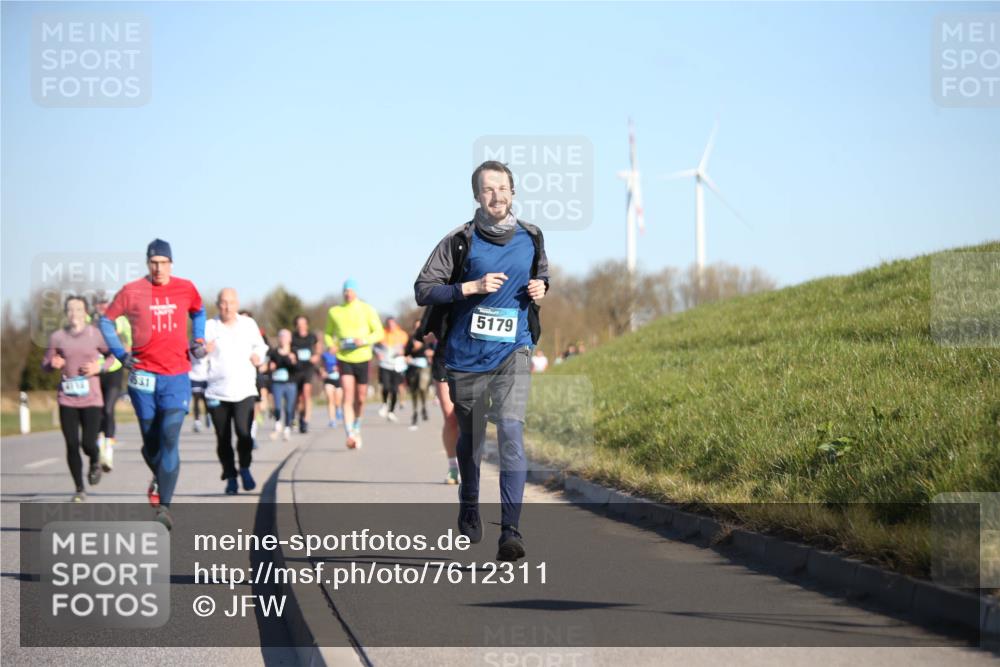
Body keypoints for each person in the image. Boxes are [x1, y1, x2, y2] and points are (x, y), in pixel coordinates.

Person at [415, 160, 549, 561]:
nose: (497, 196)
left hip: (514, 349)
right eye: (489, 190)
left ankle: (511, 531)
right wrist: (468, 287)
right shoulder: (459, 241)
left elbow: (542, 275)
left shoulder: (532, 236)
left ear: (513, 192)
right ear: (477, 196)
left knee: (510, 431)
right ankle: (469, 502)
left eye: (504, 188)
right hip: (467, 357)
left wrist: (542, 287)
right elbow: (424, 289)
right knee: (471, 440)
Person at [99, 239, 206, 530]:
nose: (158, 268)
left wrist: (198, 338)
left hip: (176, 375)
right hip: (142, 376)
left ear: (171, 263)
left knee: (170, 435)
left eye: (163, 262)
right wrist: (121, 353)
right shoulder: (132, 291)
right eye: (153, 263)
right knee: (151, 444)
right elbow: (106, 321)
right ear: (148, 263)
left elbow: (199, 311)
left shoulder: (186, 288)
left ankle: (164, 507)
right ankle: (160, 475)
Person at [43, 295, 116, 502]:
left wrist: (98, 367)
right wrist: (52, 364)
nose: (74, 313)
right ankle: (79, 489)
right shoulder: (57, 337)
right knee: (72, 444)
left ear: (85, 312)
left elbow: (113, 356)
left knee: (87, 443)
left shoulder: (95, 334)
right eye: (70, 309)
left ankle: (94, 458)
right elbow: (46, 363)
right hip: (66, 398)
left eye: (78, 309)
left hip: (91, 399)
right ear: (66, 313)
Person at [204, 289, 269, 494]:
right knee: (222, 438)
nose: (228, 307)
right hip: (217, 391)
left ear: (237, 304)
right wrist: (202, 350)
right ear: (217, 304)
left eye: (231, 302)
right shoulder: (209, 327)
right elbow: (196, 353)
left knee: (244, 433)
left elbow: (261, 346)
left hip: (244, 389)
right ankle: (230, 476)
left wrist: (258, 355)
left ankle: (245, 467)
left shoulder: (248, 324)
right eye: (223, 303)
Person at [324, 279, 384, 449]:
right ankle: (350, 433)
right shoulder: (334, 311)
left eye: (350, 290)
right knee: (348, 394)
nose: (348, 293)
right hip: (344, 357)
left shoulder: (367, 309)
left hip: (363, 357)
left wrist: (364, 340)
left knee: (361, 397)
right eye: (345, 291)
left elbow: (378, 332)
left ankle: (357, 423)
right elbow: (328, 334)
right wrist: (331, 345)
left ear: (356, 292)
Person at [93, 295, 132, 472]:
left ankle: (108, 448)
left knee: (108, 409)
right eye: (98, 303)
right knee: (98, 411)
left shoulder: (121, 320)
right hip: (94, 372)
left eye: (104, 302)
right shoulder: (89, 320)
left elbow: (129, 342)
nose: (102, 306)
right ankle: (100, 444)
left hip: (114, 369)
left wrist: (123, 349)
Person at [375, 317, 408, 422]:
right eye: (389, 324)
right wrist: (377, 353)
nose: (391, 326)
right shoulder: (382, 334)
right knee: (385, 386)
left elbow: (408, 348)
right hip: (384, 364)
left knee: (394, 390)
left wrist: (405, 353)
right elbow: (374, 346)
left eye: (392, 324)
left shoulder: (402, 335)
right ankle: (384, 404)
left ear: (396, 324)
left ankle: (391, 411)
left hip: (397, 366)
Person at [269, 329, 299, 441]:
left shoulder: (294, 352)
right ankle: (278, 424)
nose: (283, 339)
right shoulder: (274, 352)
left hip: (290, 383)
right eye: (281, 336)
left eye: (286, 337)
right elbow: (269, 366)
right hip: (277, 382)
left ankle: (287, 428)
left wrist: (293, 361)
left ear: (290, 339)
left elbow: (298, 368)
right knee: (277, 406)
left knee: (289, 407)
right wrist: (270, 367)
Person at [291, 315, 320, 433]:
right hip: (296, 369)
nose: (301, 326)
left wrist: (316, 356)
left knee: (306, 392)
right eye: (299, 323)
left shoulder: (312, 337)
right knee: (298, 397)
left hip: (308, 368)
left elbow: (318, 349)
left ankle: (306, 420)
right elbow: (288, 349)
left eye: (303, 323)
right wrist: (291, 356)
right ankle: (299, 416)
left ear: (307, 325)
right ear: (296, 325)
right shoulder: (293, 337)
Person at [403, 320, 431, 430]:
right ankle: (415, 412)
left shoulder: (428, 337)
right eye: (416, 327)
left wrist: (429, 352)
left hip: (424, 366)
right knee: (414, 390)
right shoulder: (411, 339)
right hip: (413, 366)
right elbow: (406, 353)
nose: (417, 329)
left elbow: (433, 349)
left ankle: (424, 407)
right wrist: (408, 356)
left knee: (422, 387)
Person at [320, 346, 344, 428]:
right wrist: (322, 372)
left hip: (338, 379)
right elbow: (321, 366)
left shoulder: (341, 355)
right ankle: (332, 420)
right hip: (328, 379)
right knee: (330, 399)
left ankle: (338, 408)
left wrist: (338, 368)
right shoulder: (324, 355)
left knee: (338, 400)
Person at [189, 353, 210, 432]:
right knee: (196, 400)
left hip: (205, 378)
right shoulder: (190, 348)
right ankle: (197, 421)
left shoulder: (208, 348)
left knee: (206, 400)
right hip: (194, 377)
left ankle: (208, 415)